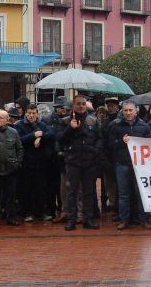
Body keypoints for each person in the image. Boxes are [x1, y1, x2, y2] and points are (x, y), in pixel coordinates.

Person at [59, 95, 104, 231]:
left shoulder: (93, 120)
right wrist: (71, 129)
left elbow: (100, 138)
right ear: (73, 105)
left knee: (89, 191)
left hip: (89, 161)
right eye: (78, 104)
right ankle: (71, 219)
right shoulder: (65, 121)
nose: (81, 106)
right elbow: (60, 139)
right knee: (72, 192)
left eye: (83, 104)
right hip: (73, 161)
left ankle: (88, 219)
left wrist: (95, 151)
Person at [108, 100, 151, 230]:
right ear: (122, 111)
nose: (128, 113)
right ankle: (124, 220)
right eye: (125, 110)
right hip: (122, 164)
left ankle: (144, 219)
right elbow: (110, 145)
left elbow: (149, 146)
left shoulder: (144, 126)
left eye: (130, 110)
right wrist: (121, 142)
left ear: (136, 111)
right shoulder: (115, 126)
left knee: (141, 193)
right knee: (123, 194)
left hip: (139, 166)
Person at [14, 104, 51, 222]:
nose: (31, 116)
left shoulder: (42, 125)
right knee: (26, 189)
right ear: (25, 113)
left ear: (37, 114)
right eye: (29, 113)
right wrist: (33, 136)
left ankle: (40, 212)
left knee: (40, 188)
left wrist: (41, 137)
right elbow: (19, 140)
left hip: (40, 162)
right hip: (26, 162)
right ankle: (26, 213)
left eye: (34, 113)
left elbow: (51, 135)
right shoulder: (19, 125)